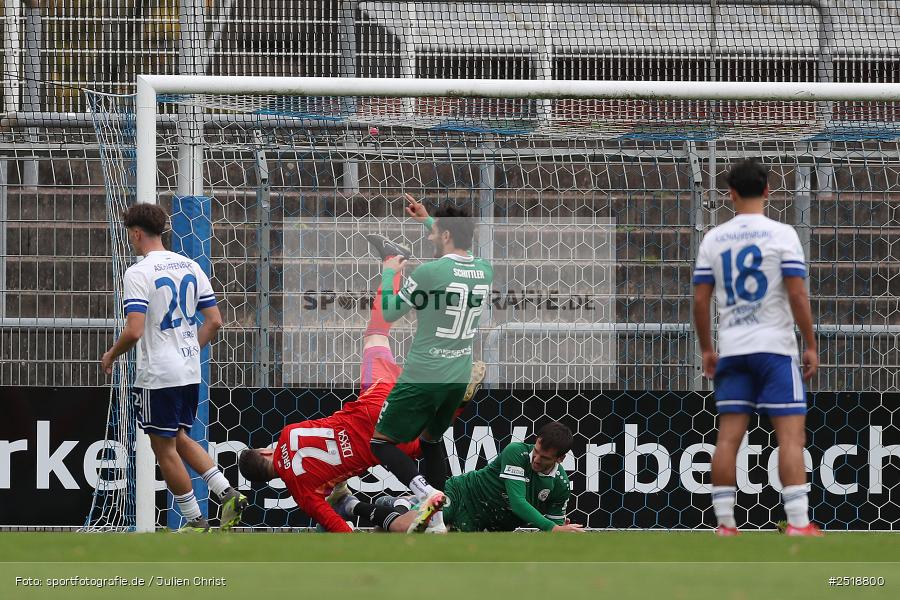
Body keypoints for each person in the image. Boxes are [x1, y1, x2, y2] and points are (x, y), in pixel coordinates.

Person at [238, 234, 486, 532]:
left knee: (425, 441)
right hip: (372, 401)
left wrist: (339, 506)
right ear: (266, 451)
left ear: (271, 476)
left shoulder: (301, 491)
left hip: (381, 439)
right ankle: (392, 263)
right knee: (377, 335)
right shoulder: (289, 432)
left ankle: (457, 407)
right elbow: (325, 436)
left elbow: (339, 527)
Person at [692, 159, 821, 537]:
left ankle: (725, 524)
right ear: (768, 190)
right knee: (790, 437)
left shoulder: (714, 239)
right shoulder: (782, 235)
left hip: (731, 348)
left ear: (730, 194)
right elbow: (797, 294)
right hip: (775, 349)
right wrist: (810, 344)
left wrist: (706, 349)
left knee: (728, 437)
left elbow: (700, 302)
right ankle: (798, 523)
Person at [101, 203, 246, 532]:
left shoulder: (139, 272)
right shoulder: (191, 266)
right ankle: (227, 492)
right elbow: (215, 321)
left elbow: (135, 330)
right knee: (179, 436)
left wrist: (112, 354)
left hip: (159, 375)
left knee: (162, 446)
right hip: (188, 370)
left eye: (130, 236)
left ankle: (195, 520)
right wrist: (190, 349)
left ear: (137, 234)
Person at [369, 194, 494, 533]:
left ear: (447, 235)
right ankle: (438, 522)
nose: (429, 237)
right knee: (431, 442)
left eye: (434, 232)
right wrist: (429, 219)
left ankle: (427, 494)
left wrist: (388, 273)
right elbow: (457, 254)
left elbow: (391, 312)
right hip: (457, 375)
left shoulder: (428, 272)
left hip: (424, 374)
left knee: (380, 443)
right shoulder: (484, 270)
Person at [333, 421, 584, 533]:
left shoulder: (561, 486)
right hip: (461, 496)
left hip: (481, 525)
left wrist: (558, 528)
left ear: (560, 460)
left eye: (545, 458)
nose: (536, 459)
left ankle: (400, 504)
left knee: (399, 534)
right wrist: (552, 528)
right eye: (536, 450)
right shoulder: (517, 452)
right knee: (410, 527)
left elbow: (552, 530)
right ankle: (350, 505)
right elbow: (518, 503)